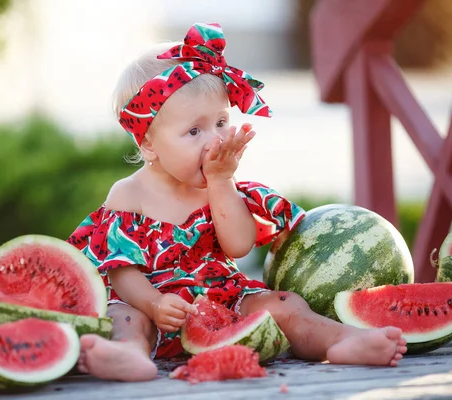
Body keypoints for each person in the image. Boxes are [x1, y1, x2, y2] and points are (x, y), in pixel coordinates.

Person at [67, 22, 407, 382]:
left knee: (285, 304)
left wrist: (221, 181)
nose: (213, 140)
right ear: (149, 143)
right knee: (125, 319)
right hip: (150, 306)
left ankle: (341, 341)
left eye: (221, 122)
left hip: (223, 300)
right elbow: (121, 272)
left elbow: (239, 245)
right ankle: (127, 355)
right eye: (194, 131)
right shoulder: (128, 194)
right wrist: (153, 303)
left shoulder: (220, 185)